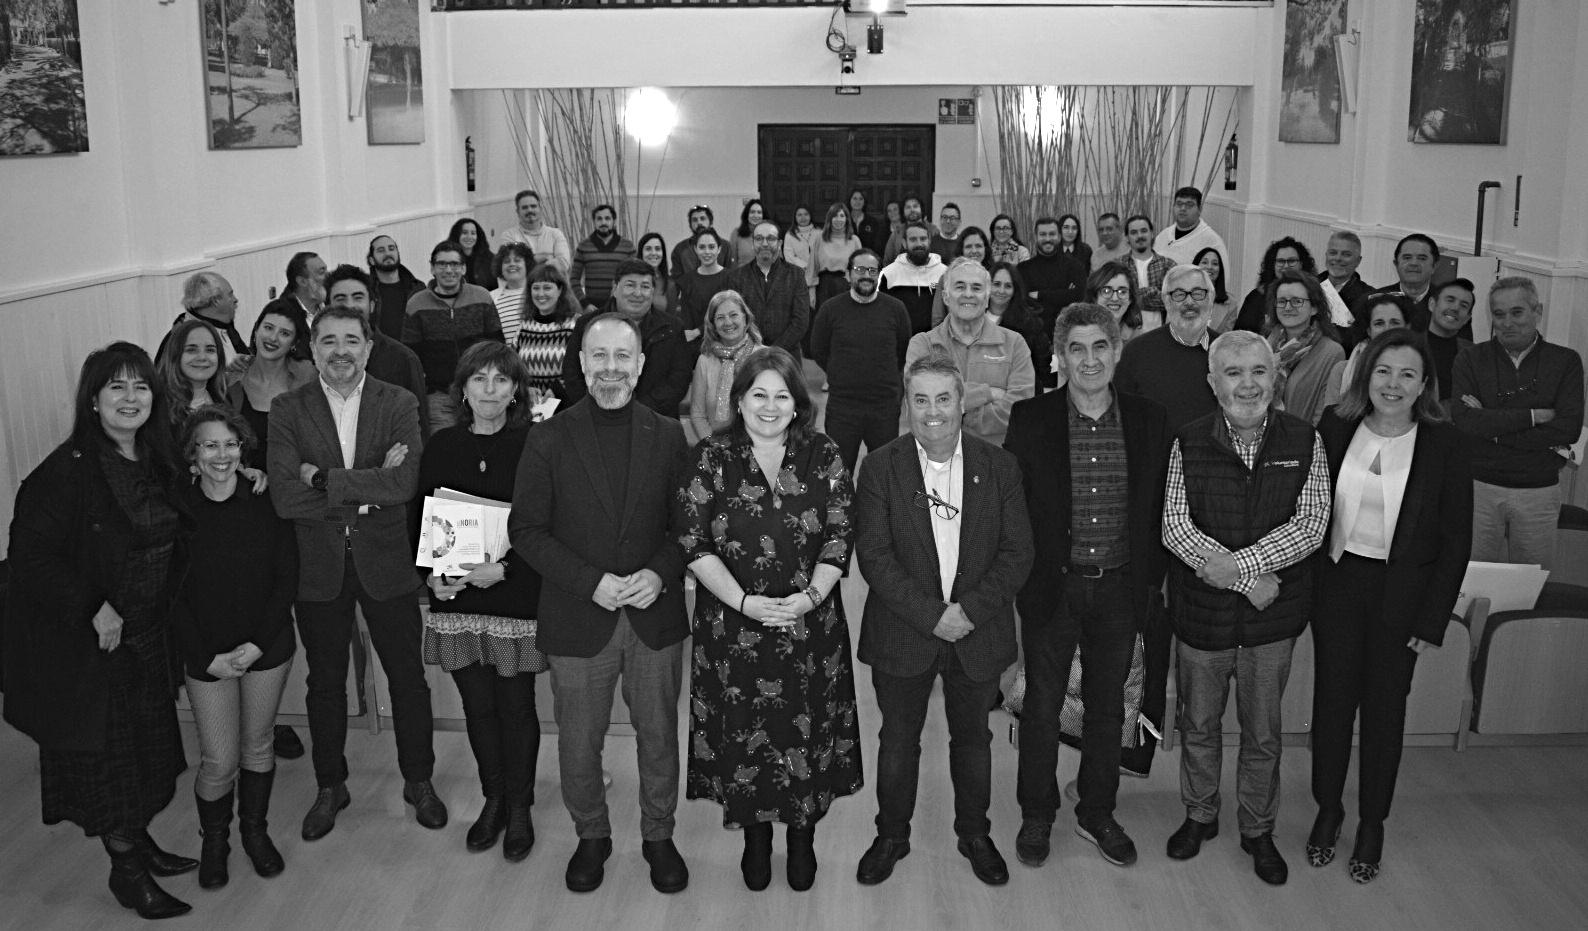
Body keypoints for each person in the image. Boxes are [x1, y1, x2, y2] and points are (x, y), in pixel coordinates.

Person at [3, 342, 197, 919]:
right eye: (117, 387)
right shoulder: (65, 472)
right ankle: (126, 872)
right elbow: (30, 559)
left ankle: (139, 841)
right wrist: (93, 606)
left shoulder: (157, 459)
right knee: (113, 763)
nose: (130, 398)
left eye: (141, 386)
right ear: (93, 401)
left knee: (149, 752)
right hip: (96, 647)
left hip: (150, 635)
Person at [509, 313, 693, 895]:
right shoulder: (548, 437)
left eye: (622, 356)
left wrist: (659, 573)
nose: (611, 368)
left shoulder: (669, 434)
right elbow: (526, 530)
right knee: (578, 742)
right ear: (582, 363)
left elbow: (688, 527)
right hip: (577, 615)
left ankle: (658, 835)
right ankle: (592, 835)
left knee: (659, 737)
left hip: (652, 616)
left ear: (640, 365)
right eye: (599, 356)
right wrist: (590, 582)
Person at [676, 346, 863, 892]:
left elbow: (840, 534)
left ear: (798, 403)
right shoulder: (711, 456)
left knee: (806, 729)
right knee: (744, 735)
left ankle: (803, 837)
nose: (770, 405)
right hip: (732, 627)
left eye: (782, 395)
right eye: (758, 394)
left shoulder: (824, 453)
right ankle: (754, 840)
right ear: (738, 399)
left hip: (810, 626)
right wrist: (742, 602)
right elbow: (691, 539)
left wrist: (811, 596)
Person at [853, 351, 1034, 887]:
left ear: (961, 403)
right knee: (897, 741)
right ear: (906, 405)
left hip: (978, 630)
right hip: (903, 630)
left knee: (973, 740)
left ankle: (975, 834)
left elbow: (1017, 553)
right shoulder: (880, 467)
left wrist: (968, 613)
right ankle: (891, 836)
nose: (933, 411)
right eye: (920, 400)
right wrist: (934, 616)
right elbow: (874, 556)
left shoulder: (999, 466)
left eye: (943, 399)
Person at [268, 305, 444, 841]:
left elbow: (404, 483)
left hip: (386, 563)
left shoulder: (399, 401)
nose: (340, 351)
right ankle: (330, 786)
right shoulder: (287, 408)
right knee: (325, 684)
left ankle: (419, 781)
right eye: (328, 341)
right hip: (318, 568)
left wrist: (322, 479)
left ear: (368, 347)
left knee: (408, 680)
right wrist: (367, 490)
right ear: (312, 349)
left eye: (351, 340)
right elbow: (284, 496)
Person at [1162, 329, 1330, 887]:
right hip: (1201, 618)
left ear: (1275, 377)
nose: (1248, 384)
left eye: (1259, 371)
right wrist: (1248, 581)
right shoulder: (1187, 441)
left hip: (1271, 621)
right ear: (1213, 383)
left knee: (1263, 733)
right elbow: (1175, 528)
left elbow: (1311, 524)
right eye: (1233, 373)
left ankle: (1258, 829)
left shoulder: (1305, 439)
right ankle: (1199, 815)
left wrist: (1241, 569)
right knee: (1198, 725)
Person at [1006, 303, 1169, 870]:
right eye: (1076, 348)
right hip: (1054, 589)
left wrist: (1152, 583)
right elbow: (1015, 510)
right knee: (1042, 706)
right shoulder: (1031, 419)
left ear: (1117, 350)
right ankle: (1037, 812)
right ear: (1060, 356)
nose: (1090, 359)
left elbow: (1159, 508)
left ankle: (1097, 812)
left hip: (1121, 589)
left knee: (1107, 708)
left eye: (1101, 346)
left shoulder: (1150, 419)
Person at [1310, 329, 1473, 885]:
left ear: (1424, 384)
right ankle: (1328, 810)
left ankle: (1372, 822)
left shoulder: (1445, 443)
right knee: (1332, 706)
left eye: (1407, 374)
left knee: (1385, 713)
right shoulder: (1335, 425)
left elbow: (1456, 541)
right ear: (1366, 375)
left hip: (1402, 598)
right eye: (1383, 371)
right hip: (1337, 587)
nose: (1393, 384)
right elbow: (1311, 509)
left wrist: (1432, 619)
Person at [416, 342, 546, 863]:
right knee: (478, 708)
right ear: (463, 389)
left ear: (516, 390)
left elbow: (548, 523)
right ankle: (493, 799)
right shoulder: (442, 445)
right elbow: (423, 517)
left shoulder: (536, 445)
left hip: (516, 591)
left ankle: (520, 806)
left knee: (516, 708)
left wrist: (507, 569)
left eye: (501, 379)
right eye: (479, 379)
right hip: (458, 596)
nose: (490, 389)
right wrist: (430, 576)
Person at [172, 407, 297, 890]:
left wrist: (258, 644)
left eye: (230, 444)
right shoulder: (178, 511)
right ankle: (215, 842)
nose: (221, 455)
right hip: (206, 653)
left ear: (243, 450)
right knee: (219, 760)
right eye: (210, 445)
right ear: (193, 454)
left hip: (266, 645)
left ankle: (254, 833)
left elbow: (286, 577)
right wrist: (205, 656)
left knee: (258, 744)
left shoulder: (266, 501)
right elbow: (171, 593)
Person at [1451, 276, 1585, 570]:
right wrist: (1534, 417)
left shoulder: (1565, 361)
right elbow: (1465, 422)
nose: (1507, 323)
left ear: (1538, 312)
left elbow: (1568, 429)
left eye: (1517, 312)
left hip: (1539, 491)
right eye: (1499, 314)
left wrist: (1493, 428)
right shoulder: (1470, 359)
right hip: (1478, 488)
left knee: (1531, 580)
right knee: (1469, 579)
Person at [906, 257, 1036, 448]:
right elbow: (920, 402)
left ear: (987, 298)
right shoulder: (923, 344)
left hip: (996, 456)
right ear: (946, 297)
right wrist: (988, 393)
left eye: (976, 288)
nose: (968, 294)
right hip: (937, 455)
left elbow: (1020, 409)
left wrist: (964, 415)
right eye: (960, 287)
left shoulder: (1015, 343)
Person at [810, 250, 912, 474]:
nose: (866, 275)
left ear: (879, 275)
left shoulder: (896, 309)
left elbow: (903, 350)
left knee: (883, 472)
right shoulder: (830, 310)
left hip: (884, 407)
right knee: (838, 474)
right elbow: (818, 350)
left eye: (872, 271)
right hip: (843, 407)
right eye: (859, 270)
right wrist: (839, 372)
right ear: (848, 275)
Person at [561, 259, 693, 416]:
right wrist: (600, 407)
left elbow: (679, 379)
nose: (637, 293)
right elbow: (572, 373)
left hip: (655, 419)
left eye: (645, 287)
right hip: (596, 417)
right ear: (615, 288)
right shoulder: (587, 325)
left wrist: (637, 411)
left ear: (652, 292)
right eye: (630, 285)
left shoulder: (672, 328)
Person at [402, 239, 505, 432]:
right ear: (432, 268)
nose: (449, 270)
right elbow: (411, 356)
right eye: (442, 264)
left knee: (484, 442)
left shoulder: (482, 297)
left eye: (454, 264)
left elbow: (498, 347)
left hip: (481, 392)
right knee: (444, 445)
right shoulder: (416, 304)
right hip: (440, 397)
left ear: (463, 268)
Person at [323, 265, 431, 440]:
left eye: (358, 297)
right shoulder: (318, 359)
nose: (349, 305)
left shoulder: (403, 359)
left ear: (372, 305)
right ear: (327, 307)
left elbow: (419, 427)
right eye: (340, 299)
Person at [226, 306, 317, 469]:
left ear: (294, 343)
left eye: (284, 333)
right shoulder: (232, 380)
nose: (273, 338)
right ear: (256, 331)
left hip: (293, 478)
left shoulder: (307, 377)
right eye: (268, 328)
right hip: (244, 478)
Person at [1264, 271, 1347, 425]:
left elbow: (1323, 414)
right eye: (1282, 301)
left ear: (1314, 308)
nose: (1287, 307)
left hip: (1299, 437)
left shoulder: (1332, 352)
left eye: (1297, 301)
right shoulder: (1266, 346)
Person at [726, 220, 811, 358]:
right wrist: (754, 348)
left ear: (780, 243)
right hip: (748, 355)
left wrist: (773, 351)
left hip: (787, 355)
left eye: (770, 238)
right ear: (753, 243)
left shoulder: (796, 275)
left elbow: (800, 321)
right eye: (759, 238)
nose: (764, 244)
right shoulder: (736, 277)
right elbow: (734, 318)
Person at [687, 289, 764, 441]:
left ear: (746, 318)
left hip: (760, 445)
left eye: (733, 315)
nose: (728, 322)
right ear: (713, 325)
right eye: (720, 318)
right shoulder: (705, 361)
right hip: (716, 445)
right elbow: (697, 415)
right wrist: (714, 447)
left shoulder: (765, 357)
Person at [516, 261, 583, 400]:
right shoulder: (523, 327)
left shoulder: (576, 324)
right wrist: (525, 388)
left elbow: (584, 367)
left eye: (547, 288)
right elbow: (512, 368)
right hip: (532, 406)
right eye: (536, 288)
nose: (541, 294)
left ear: (560, 290)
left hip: (568, 403)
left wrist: (559, 389)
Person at [155, 271, 249, 368]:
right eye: (230, 295)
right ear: (216, 301)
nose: (235, 299)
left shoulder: (223, 325)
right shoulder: (186, 339)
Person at [1331, 293, 1415, 397]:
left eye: (1395, 323)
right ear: (1369, 331)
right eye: (1379, 323)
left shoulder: (1420, 369)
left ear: (1407, 328)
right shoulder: (1341, 370)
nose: (1387, 329)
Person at [156, 316, 227, 434]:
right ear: (175, 355)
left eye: (210, 350)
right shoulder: (157, 406)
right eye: (191, 350)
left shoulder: (225, 398)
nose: (202, 357)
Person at [1018, 216, 1088, 336]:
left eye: (1052, 234)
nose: (1047, 239)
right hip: (1034, 334)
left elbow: (1078, 296)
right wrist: (1064, 294)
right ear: (1035, 237)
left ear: (1059, 237)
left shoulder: (1075, 267)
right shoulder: (1023, 269)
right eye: (1043, 234)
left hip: (1069, 332)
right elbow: (1023, 303)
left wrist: (1040, 295)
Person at [987, 261, 1051, 389]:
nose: (1001, 290)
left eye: (1008, 286)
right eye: (996, 284)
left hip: (1018, 392)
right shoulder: (974, 318)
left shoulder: (1029, 323)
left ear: (1015, 290)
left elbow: (1042, 365)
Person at [1233, 237, 1316, 333]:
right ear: (1273, 265)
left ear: (1302, 264)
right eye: (1280, 261)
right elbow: (1240, 335)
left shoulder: (1312, 295)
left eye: (1291, 261)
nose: (1286, 266)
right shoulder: (1256, 297)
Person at [880, 220, 947, 335]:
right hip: (900, 340)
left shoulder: (945, 273)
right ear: (904, 243)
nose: (919, 244)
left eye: (923, 239)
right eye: (913, 239)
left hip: (935, 340)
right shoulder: (889, 274)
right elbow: (883, 313)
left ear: (929, 241)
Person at [1370, 233, 1444, 334]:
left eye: (1422, 258)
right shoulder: (1375, 300)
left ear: (1434, 266)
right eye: (1407, 257)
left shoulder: (1446, 304)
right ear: (1396, 264)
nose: (1414, 263)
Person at [260, 252, 327, 362]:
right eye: (321, 272)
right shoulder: (279, 314)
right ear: (302, 281)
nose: (327, 276)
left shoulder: (332, 305)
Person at [570, 203, 637, 313]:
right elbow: (574, 279)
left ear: (614, 221)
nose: (603, 222)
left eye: (607, 218)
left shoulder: (628, 247)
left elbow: (634, 278)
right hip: (591, 309)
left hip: (619, 308)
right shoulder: (583, 246)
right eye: (599, 219)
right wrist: (584, 303)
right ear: (594, 222)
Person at [1153, 186, 1230, 273]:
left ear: (1199, 209)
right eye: (1179, 204)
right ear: (1173, 207)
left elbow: (1222, 278)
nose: (1183, 208)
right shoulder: (1163, 235)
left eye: (1189, 205)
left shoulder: (1212, 241)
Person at [1424, 278, 1476, 401]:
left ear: (1467, 318)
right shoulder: (1407, 345)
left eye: (1463, 305)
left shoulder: (1475, 355)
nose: (1455, 308)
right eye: (1450, 300)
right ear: (1432, 304)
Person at [498, 189, 571, 275]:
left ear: (540, 209)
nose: (530, 210)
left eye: (533, 206)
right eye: (525, 207)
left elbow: (563, 264)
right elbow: (512, 266)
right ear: (518, 212)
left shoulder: (555, 234)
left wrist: (528, 261)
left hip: (552, 282)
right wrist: (546, 258)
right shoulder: (509, 236)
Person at [678, 228, 733, 343]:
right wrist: (691, 335)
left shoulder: (731, 278)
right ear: (695, 249)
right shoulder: (687, 280)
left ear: (719, 249)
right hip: (694, 343)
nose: (707, 252)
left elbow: (729, 315)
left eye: (711, 247)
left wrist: (698, 331)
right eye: (702, 247)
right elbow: (686, 319)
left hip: (725, 340)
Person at [368, 234, 425, 342]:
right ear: (372, 260)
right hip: (378, 350)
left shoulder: (417, 288)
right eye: (381, 250)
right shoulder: (367, 291)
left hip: (413, 350)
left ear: (398, 254)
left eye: (391, 249)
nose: (388, 253)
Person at [808, 203, 863, 311]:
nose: (838, 219)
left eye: (842, 216)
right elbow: (813, 266)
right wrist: (811, 291)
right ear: (830, 219)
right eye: (835, 216)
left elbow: (860, 268)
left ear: (847, 219)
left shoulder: (854, 240)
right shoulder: (820, 238)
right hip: (824, 286)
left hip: (846, 286)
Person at [1122, 215, 1174, 329]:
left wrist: (1135, 298)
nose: (1139, 236)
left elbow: (1173, 301)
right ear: (1127, 238)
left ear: (1152, 233)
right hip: (1126, 332)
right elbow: (1118, 301)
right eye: (1134, 232)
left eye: (1144, 231)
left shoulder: (1168, 265)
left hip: (1159, 332)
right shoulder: (1119, 265)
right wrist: (1154, 292)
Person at [1322, 230, 1373, 337]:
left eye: (1346, 254)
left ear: (1358, 261)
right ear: (1326, 255)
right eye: (1333, 253)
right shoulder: (1308, 285)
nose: (1338, 258)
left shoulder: (1369, 297)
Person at [1087, 260, 1144, 344]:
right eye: (1106, 291)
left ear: (1130, 299)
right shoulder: (1077, 334)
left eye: (1122, 292)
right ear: (1095, 297)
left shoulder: (1138, 339)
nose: (1115, 298)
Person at [491, 241, 535, 346]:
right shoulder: (491, 297)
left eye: (517, 260)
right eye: (506, 261)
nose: (512, 264)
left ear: (527, 264)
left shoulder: (537, 294)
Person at [882, 195, 937, 265]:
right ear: (903, 211)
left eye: (915, 206)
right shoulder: (897, 233)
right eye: (908, 207)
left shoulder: (933, 231)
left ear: (921, 209)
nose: (912, 210)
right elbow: (887, 261)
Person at [637, 231, 681, 317]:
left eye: (657, 249)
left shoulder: (670, 285)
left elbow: (671, 319)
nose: (653, 253)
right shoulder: (630, 279)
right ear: (641, 253)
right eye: (648, 249)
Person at [1194, 247, 1237, 333]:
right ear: (1195, 267)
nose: (1209, 267)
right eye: (1204, 262)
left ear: (1220, 269)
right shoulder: (1182, 296)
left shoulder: (1231, 303)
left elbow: (1226, 337)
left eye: (1215, 264)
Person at [669, 204, 715, 284]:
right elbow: (677, 279)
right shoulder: (680, 249)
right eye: (695, 220)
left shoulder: (725, 246)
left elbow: (729, 276)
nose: (699, 222)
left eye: (702, 218)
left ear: (710, 222)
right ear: (690, 224)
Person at [447, 218, 496, 290]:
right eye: (464, 233)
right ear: (457, 235)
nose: (469, 237)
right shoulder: (448, 258)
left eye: (473, 233)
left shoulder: (489, 258)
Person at [727, 199, 767, 268]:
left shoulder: (770, 234)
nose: (755, 215)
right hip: (742, 273)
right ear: (747, 215)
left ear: (763, 215)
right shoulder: (736, 233)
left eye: (759, 212)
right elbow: (732, 261)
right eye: (752, 212)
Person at [781, 203, 818, 272]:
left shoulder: (819, 233)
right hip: (797, 271)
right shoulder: (790, 235)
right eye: (799, 215)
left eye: (806, 214)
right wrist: (805, 266)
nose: (803, 218)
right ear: (795, 217)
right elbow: (789, 256)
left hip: (817, 271)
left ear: (810, 216)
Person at [850, 188, 886, 255]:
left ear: (864, 202)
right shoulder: (845, 220)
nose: (857, 201)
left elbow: (877, 246)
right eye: (855, 198)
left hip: (868, 258)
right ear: (850, 200)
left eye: (861, 199)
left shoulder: (872, 222)